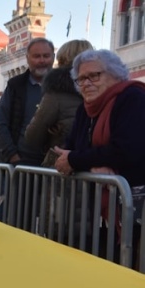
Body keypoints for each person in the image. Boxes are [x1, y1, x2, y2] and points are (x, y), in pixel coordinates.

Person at [53, 49, 145, 265]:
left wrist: (80, 160)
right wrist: (91, 164)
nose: (86, 83)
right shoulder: (85, 109)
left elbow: (127, 150)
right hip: (101, 207)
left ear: (114, 74)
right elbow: (70, 148)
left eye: (94, 76)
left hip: (135, 204)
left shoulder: (133, 98)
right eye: (81, 78)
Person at [25, 39, 94, 167]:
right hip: (96, 169)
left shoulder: (55, 94)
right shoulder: (101, 89)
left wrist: (52, 135)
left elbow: (32, 137)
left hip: (62, 169)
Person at [0, 37, 55, 165]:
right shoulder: (15, 86)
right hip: (20, 163)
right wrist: (12, 155)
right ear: (27, 58)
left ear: (53, 57)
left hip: (53, 165)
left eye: (46, 56)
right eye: (36, 56)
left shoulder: (63, 86)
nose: (42, 61)